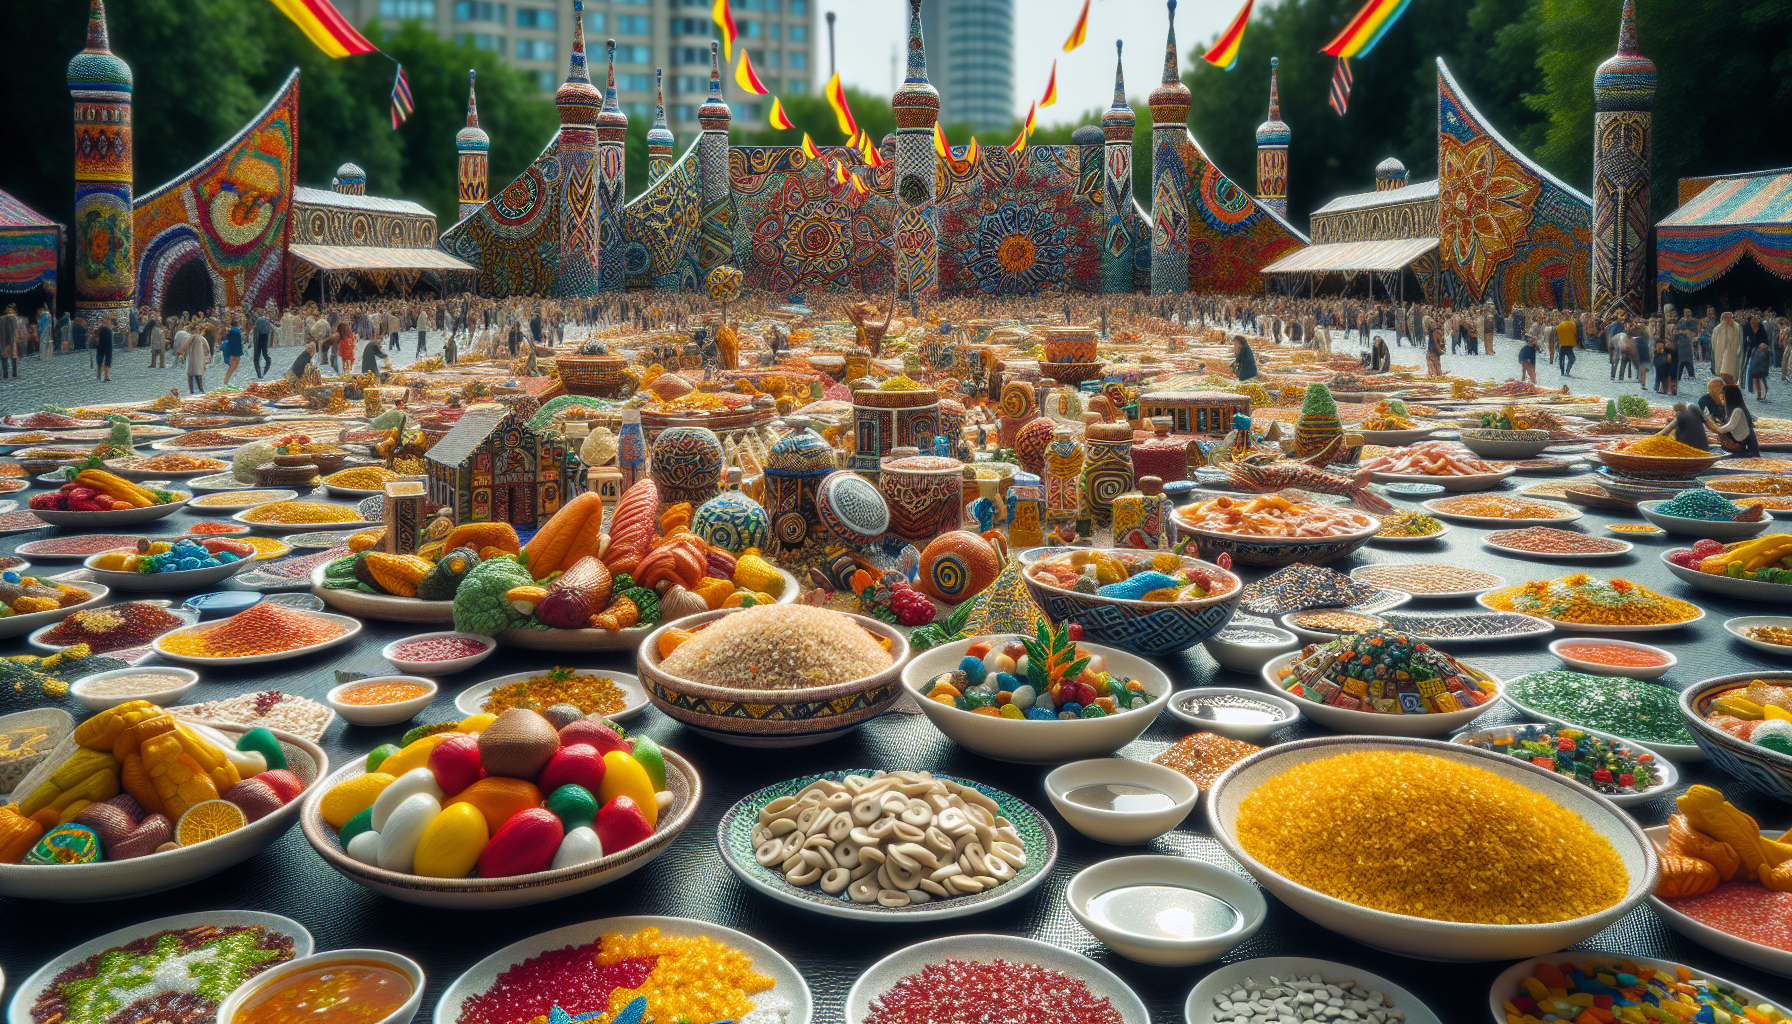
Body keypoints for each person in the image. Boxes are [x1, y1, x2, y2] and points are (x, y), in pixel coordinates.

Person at [1705, 382, 1761, 458]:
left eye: (1723, 396)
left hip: (1747, 451)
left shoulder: (1738, 411)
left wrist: (1707, 421)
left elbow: (1726, 428)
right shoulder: (1730, 409)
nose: (1722, 399)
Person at [175, 323, 209, 394]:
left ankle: (192, 391)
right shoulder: (202, 339)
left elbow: (185, 346)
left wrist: (181, 351)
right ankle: (200, 390)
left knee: (191, 374)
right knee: (198, 375)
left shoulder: (193, 337)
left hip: (194, 358)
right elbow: (207, 348)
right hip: (199, 358)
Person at [1712, 311, 1743, 383]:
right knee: (1723, 372)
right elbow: (1715, 341)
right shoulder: (1718, 328)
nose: (1729, 319)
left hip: (1733, 352)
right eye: (1727, 317)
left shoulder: (1737, 327)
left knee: (1732, 373)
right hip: (1723, 352)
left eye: (1730, 317)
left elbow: (1740, 339)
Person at [219, 317, 243, 387]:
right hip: (235, 350)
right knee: (233, 366)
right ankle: (226, 381)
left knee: (233, 366)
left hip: (234, 349)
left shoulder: (233, 330)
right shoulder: (236, 330)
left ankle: (226, 380)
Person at [252, 308, 273, 378]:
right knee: (264, 354)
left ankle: (260, 375)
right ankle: (262, 373)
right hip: (264, 338)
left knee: (257, 357)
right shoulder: (265, 320)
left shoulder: (259, 320)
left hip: (259, 338)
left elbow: (256, 332)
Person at [0, 304, 18, 379]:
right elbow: (17, 329)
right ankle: (14, 373)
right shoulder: (15, 318)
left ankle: (5, 373)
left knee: (4, 356)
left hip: (3, 339)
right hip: (12, 338)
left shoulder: (1, 319)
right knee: (13, 355)